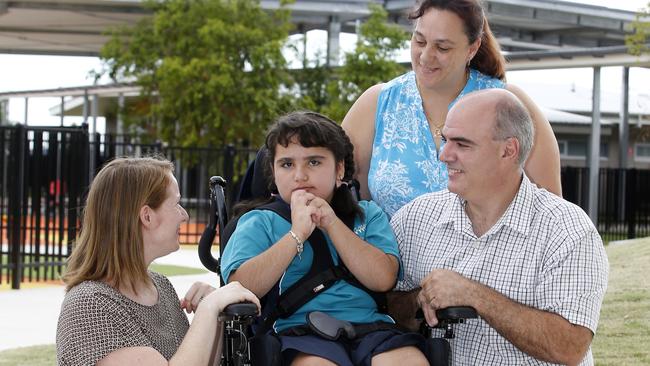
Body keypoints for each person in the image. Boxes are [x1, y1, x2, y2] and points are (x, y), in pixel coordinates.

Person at [389, 89, 609, 365]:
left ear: (508, 150)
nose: (444, 155)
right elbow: (381, 305)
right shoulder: (416, 218)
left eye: (462, 144)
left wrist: (475, 295)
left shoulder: (567, 230)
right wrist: (419, 300)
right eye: (445, 140)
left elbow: (570, 346)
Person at [220, 111, 427, 366]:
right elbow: (241, 286)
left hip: (372, 328)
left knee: (409, 361)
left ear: (339, 169)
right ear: (273, 173)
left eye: (314, 162)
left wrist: (331, 223)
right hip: (297, 330)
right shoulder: (260, 221)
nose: (299, 175)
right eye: (287, 164)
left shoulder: (368, 215)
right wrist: (297, 234)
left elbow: (383, 279)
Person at [342, 0, 562, 218]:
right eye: (419, 41)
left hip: (492, 253)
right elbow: (339, 192)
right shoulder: (376, 103)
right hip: (386, 254)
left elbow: (552, 211)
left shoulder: (510, 105)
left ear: (473, 48)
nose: (426, 56)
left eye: (442, 47)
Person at [56, 157, 260, 366]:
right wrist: (208, 308)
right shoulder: (90, 305)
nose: (185, 216)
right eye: (176, 204)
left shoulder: (160, 286)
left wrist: (214, 317)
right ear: (147, 216)